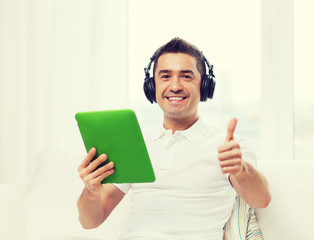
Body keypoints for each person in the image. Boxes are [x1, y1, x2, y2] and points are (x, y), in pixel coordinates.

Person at [77, 38, 271, 240]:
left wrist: (240, 168)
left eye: (186, 76)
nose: (175, 86)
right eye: (165, 76)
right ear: (152, 86)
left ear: (204, 86)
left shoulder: (228, 145)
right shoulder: (135, 142)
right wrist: (90, 190)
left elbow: (261, 199)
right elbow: (90, 221)